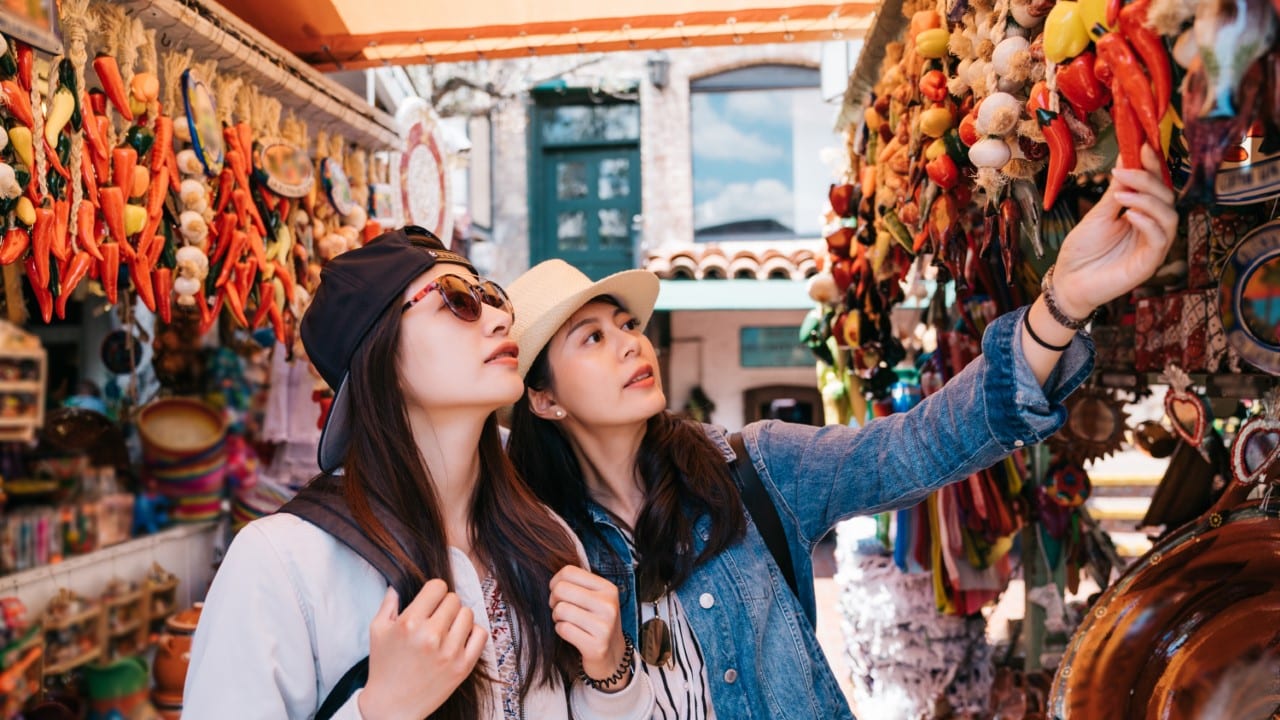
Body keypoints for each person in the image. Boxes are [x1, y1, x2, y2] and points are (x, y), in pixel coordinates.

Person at [505, 145, 1178, 718]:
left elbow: (915, 446)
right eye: (591, 338)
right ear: (542, 399)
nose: (630, 345)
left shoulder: (753, 469)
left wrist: (1063, 304)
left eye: (626, 326)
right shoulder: (530, 546)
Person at [184, 227, 653, 719]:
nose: (499, 319)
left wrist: (612, 676)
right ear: (380, 352)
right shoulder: (281, 562)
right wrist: (381, 710)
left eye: (491, 297)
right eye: (456, 300)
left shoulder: (547, 542)